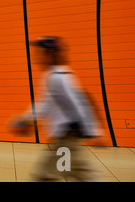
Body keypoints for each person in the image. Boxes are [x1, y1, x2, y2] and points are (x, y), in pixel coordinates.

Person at [15, 36, 101, 181]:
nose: (36, 57)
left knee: (49, 176)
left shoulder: (57, 77)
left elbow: (80, 102)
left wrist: (95, 133)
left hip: (66, 139)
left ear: (51, 54)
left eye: (40, 52)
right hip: (64, 139)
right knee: (67, 173)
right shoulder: (56, 75)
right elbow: (47, 104)